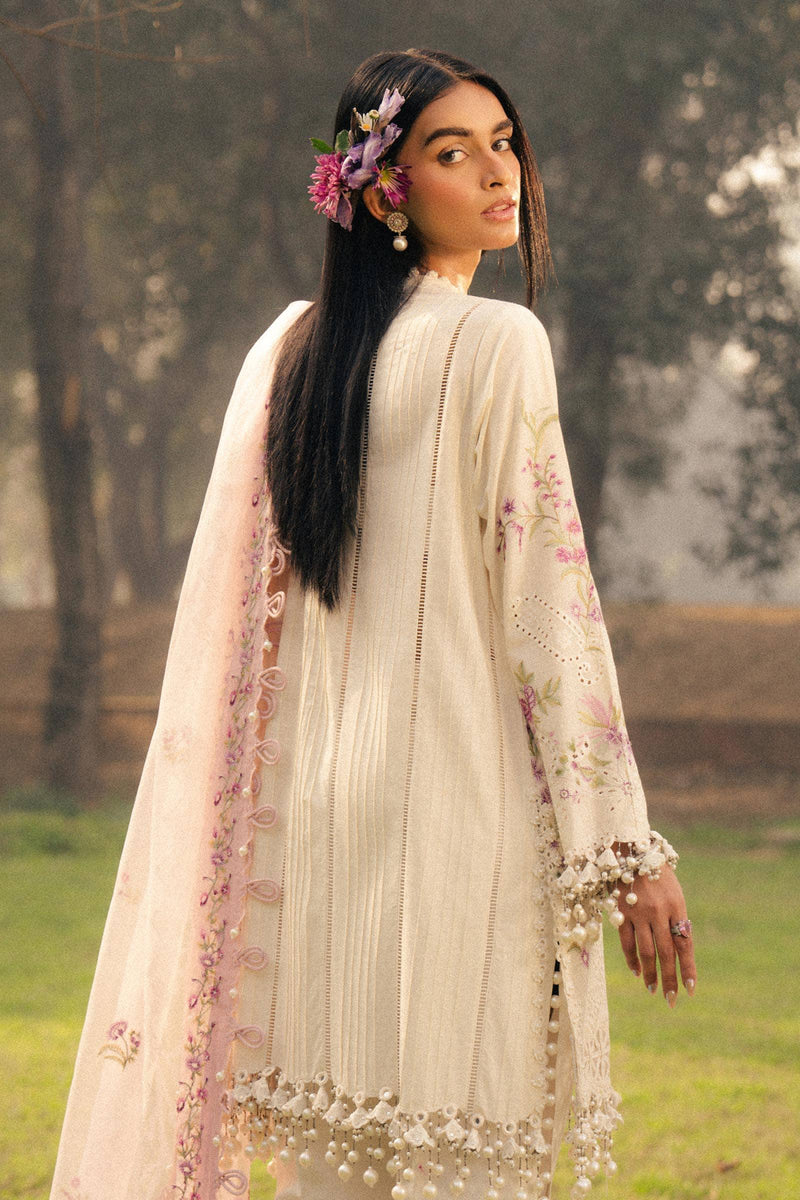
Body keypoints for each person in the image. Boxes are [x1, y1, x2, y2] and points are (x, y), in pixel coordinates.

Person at [50, 47, 697, 1200]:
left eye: (503, 143)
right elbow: (548, 608)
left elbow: (251, 637)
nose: (497, 174)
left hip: (306, 854)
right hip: (457, 835)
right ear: (384, 189)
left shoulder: (288, 352)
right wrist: (626, 850)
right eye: (452, 151)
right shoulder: (495, 343)